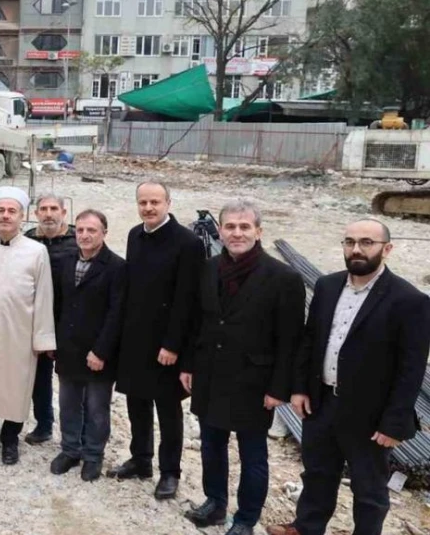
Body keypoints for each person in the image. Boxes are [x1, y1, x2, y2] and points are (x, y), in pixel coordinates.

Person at [267, 220, 430, 535]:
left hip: (370, 415)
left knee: (369, 489)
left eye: (367, 242)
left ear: (387, 249)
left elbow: (411, 369)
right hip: (322, 402)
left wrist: (394, 422)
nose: (356, 249)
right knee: (317, 473)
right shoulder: (328, 286)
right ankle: (306, 527)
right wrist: (300, 388)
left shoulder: (409, 301)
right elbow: (310, 340)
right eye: (350, 241)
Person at [178, 201, 304, 535]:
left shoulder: (283, 278)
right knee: (211, 444)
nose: (237, 233)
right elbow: (198, 322)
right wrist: (189, 364)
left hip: (253, 380)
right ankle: (215, 503)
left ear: (258, 232)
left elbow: (290, 340)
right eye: (230, 226)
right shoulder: (208, 268)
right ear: (219, 230)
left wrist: (279, 388)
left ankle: (246, 519)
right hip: (210, 373)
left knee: (253, 454)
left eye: (244, 227)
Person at [110, 181, 204, 500]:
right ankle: (141, 459)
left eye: (155, 202)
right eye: (143, 202)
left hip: (166, 344)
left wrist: (173, 345)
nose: (149, 208)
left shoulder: (188, 243)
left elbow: (186, 300)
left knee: (167, 409)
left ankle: (170, 472)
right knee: (136, 402)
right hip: (136, 338)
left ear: (168, 202)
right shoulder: (135, 235)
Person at [0, 186, 55, 466]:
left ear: (22, 216)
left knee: (16, 388)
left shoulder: (36, 251)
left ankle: (11, 438)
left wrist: (42, 339)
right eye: (1, 210)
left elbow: (44, 296)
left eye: (11, 211)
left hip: (20, 333)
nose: (5, 216)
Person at [49, 209, 126, 482]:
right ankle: (70, 449)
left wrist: (101, 351)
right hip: (69, 348)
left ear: (104, 233)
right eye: (80, 230)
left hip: (98, 352)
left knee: (96, 408)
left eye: (91, 230)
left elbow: (117, 314)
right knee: (69, 404)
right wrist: (53, 341)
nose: (84, 235)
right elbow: (59, 304)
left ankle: (93, 455)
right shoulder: (67, 260)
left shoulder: (117, 267)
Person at [23, 194, 78, 446]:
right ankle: (44, 424)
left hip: (70, 321)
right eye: (43, 209)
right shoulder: (28, 240)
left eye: (53, 209)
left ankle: (77, 436)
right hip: (38, 319)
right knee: (39, 377)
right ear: (35, 214)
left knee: (73, 382)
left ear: (64, 213)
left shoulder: (77, 240)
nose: (48, 214)